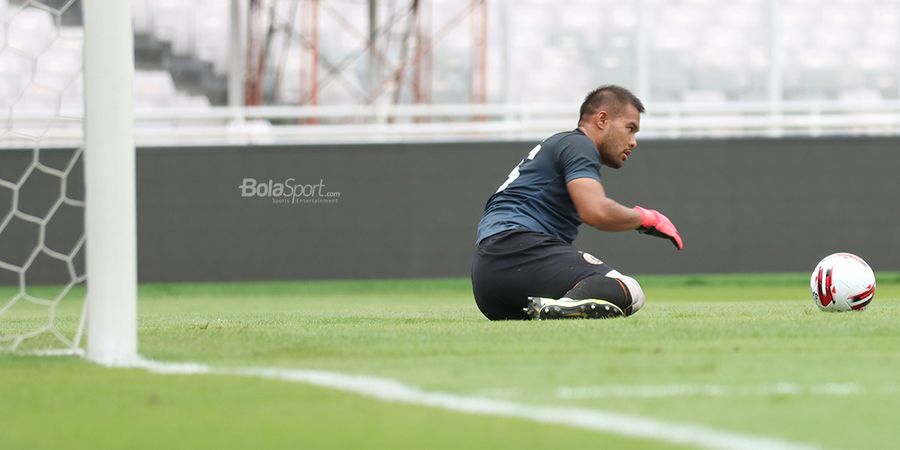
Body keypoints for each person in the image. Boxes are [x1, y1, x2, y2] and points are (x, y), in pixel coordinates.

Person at [471, 85, 683, 321]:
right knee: (630, 290)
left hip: (487, 282)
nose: (633, 142)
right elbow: (596, 212)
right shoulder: (579, 145)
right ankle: (567, 306)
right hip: (519, 249)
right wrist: (646, 218)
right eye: (630, 128)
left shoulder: (560, 145)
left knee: (562, 304)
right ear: (602, 119)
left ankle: (558, 307)